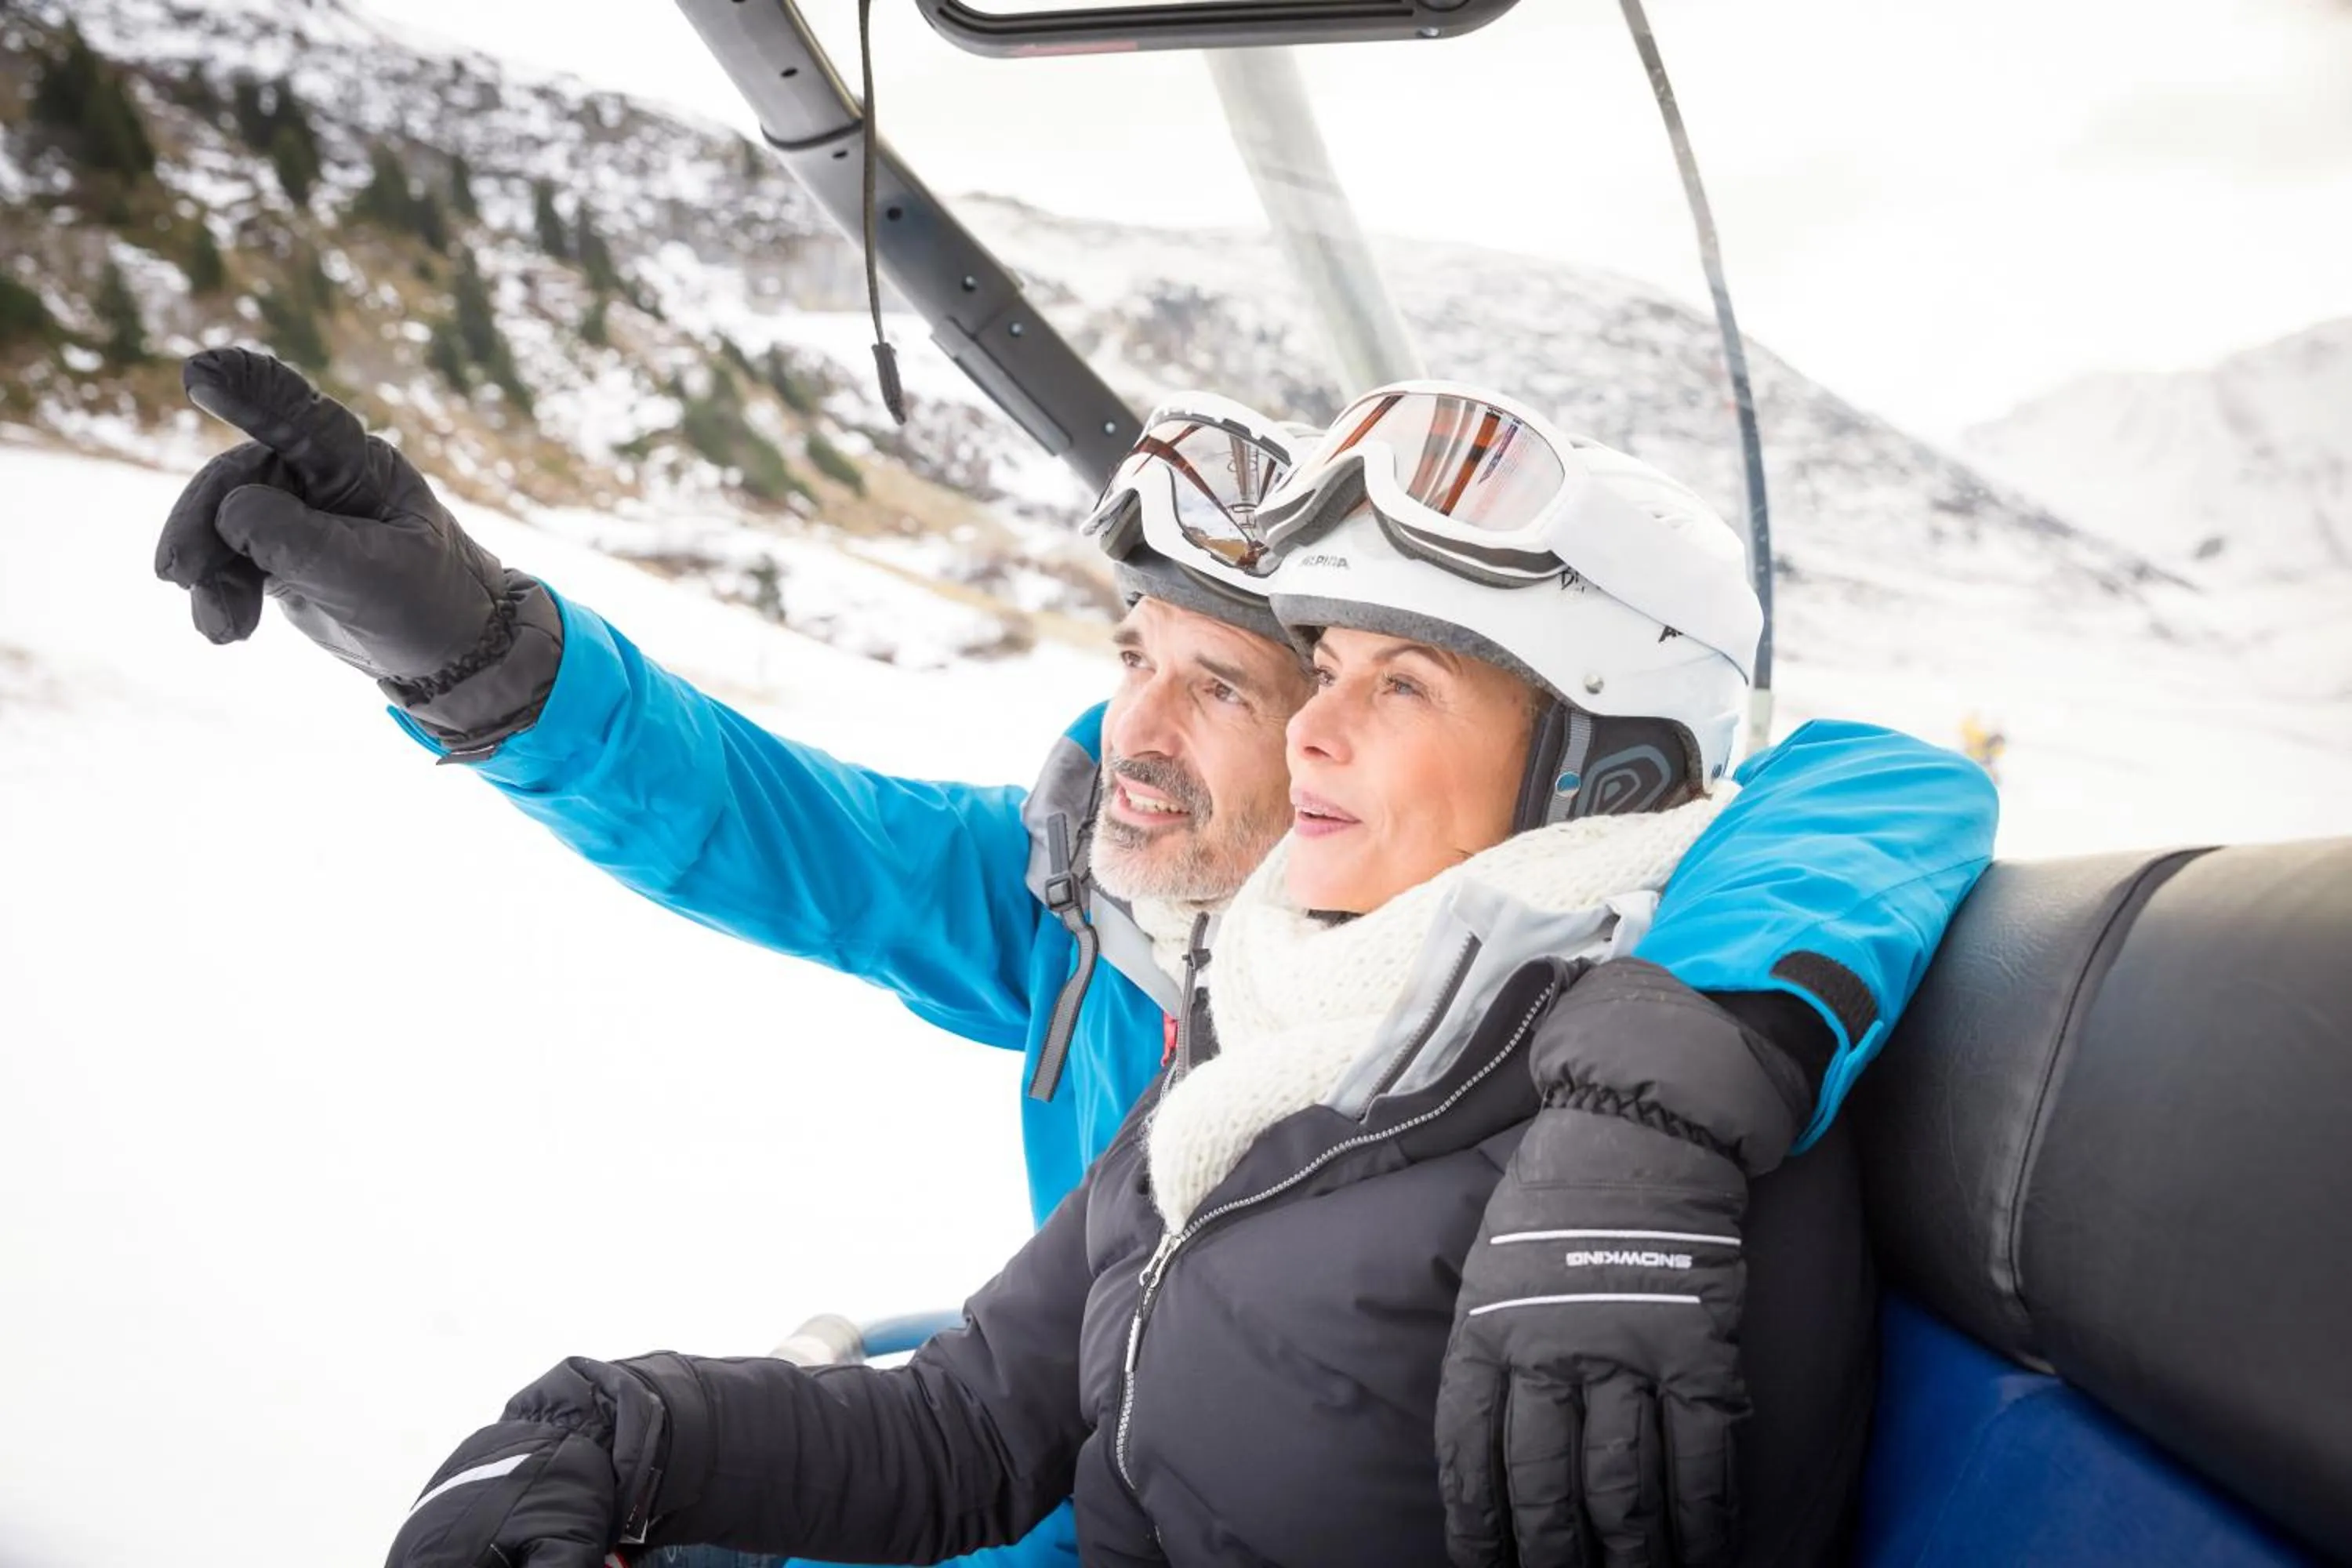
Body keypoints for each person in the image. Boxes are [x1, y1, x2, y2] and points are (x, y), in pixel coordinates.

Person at [153, 357, 1994, 1563]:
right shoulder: (1140, 945)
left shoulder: (1582, 1042)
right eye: (1132, 653)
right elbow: (779, 831)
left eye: (1226, 683)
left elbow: (1871, 781)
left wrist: (1664, 1093)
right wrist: (475, 655)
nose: (1134, 731)